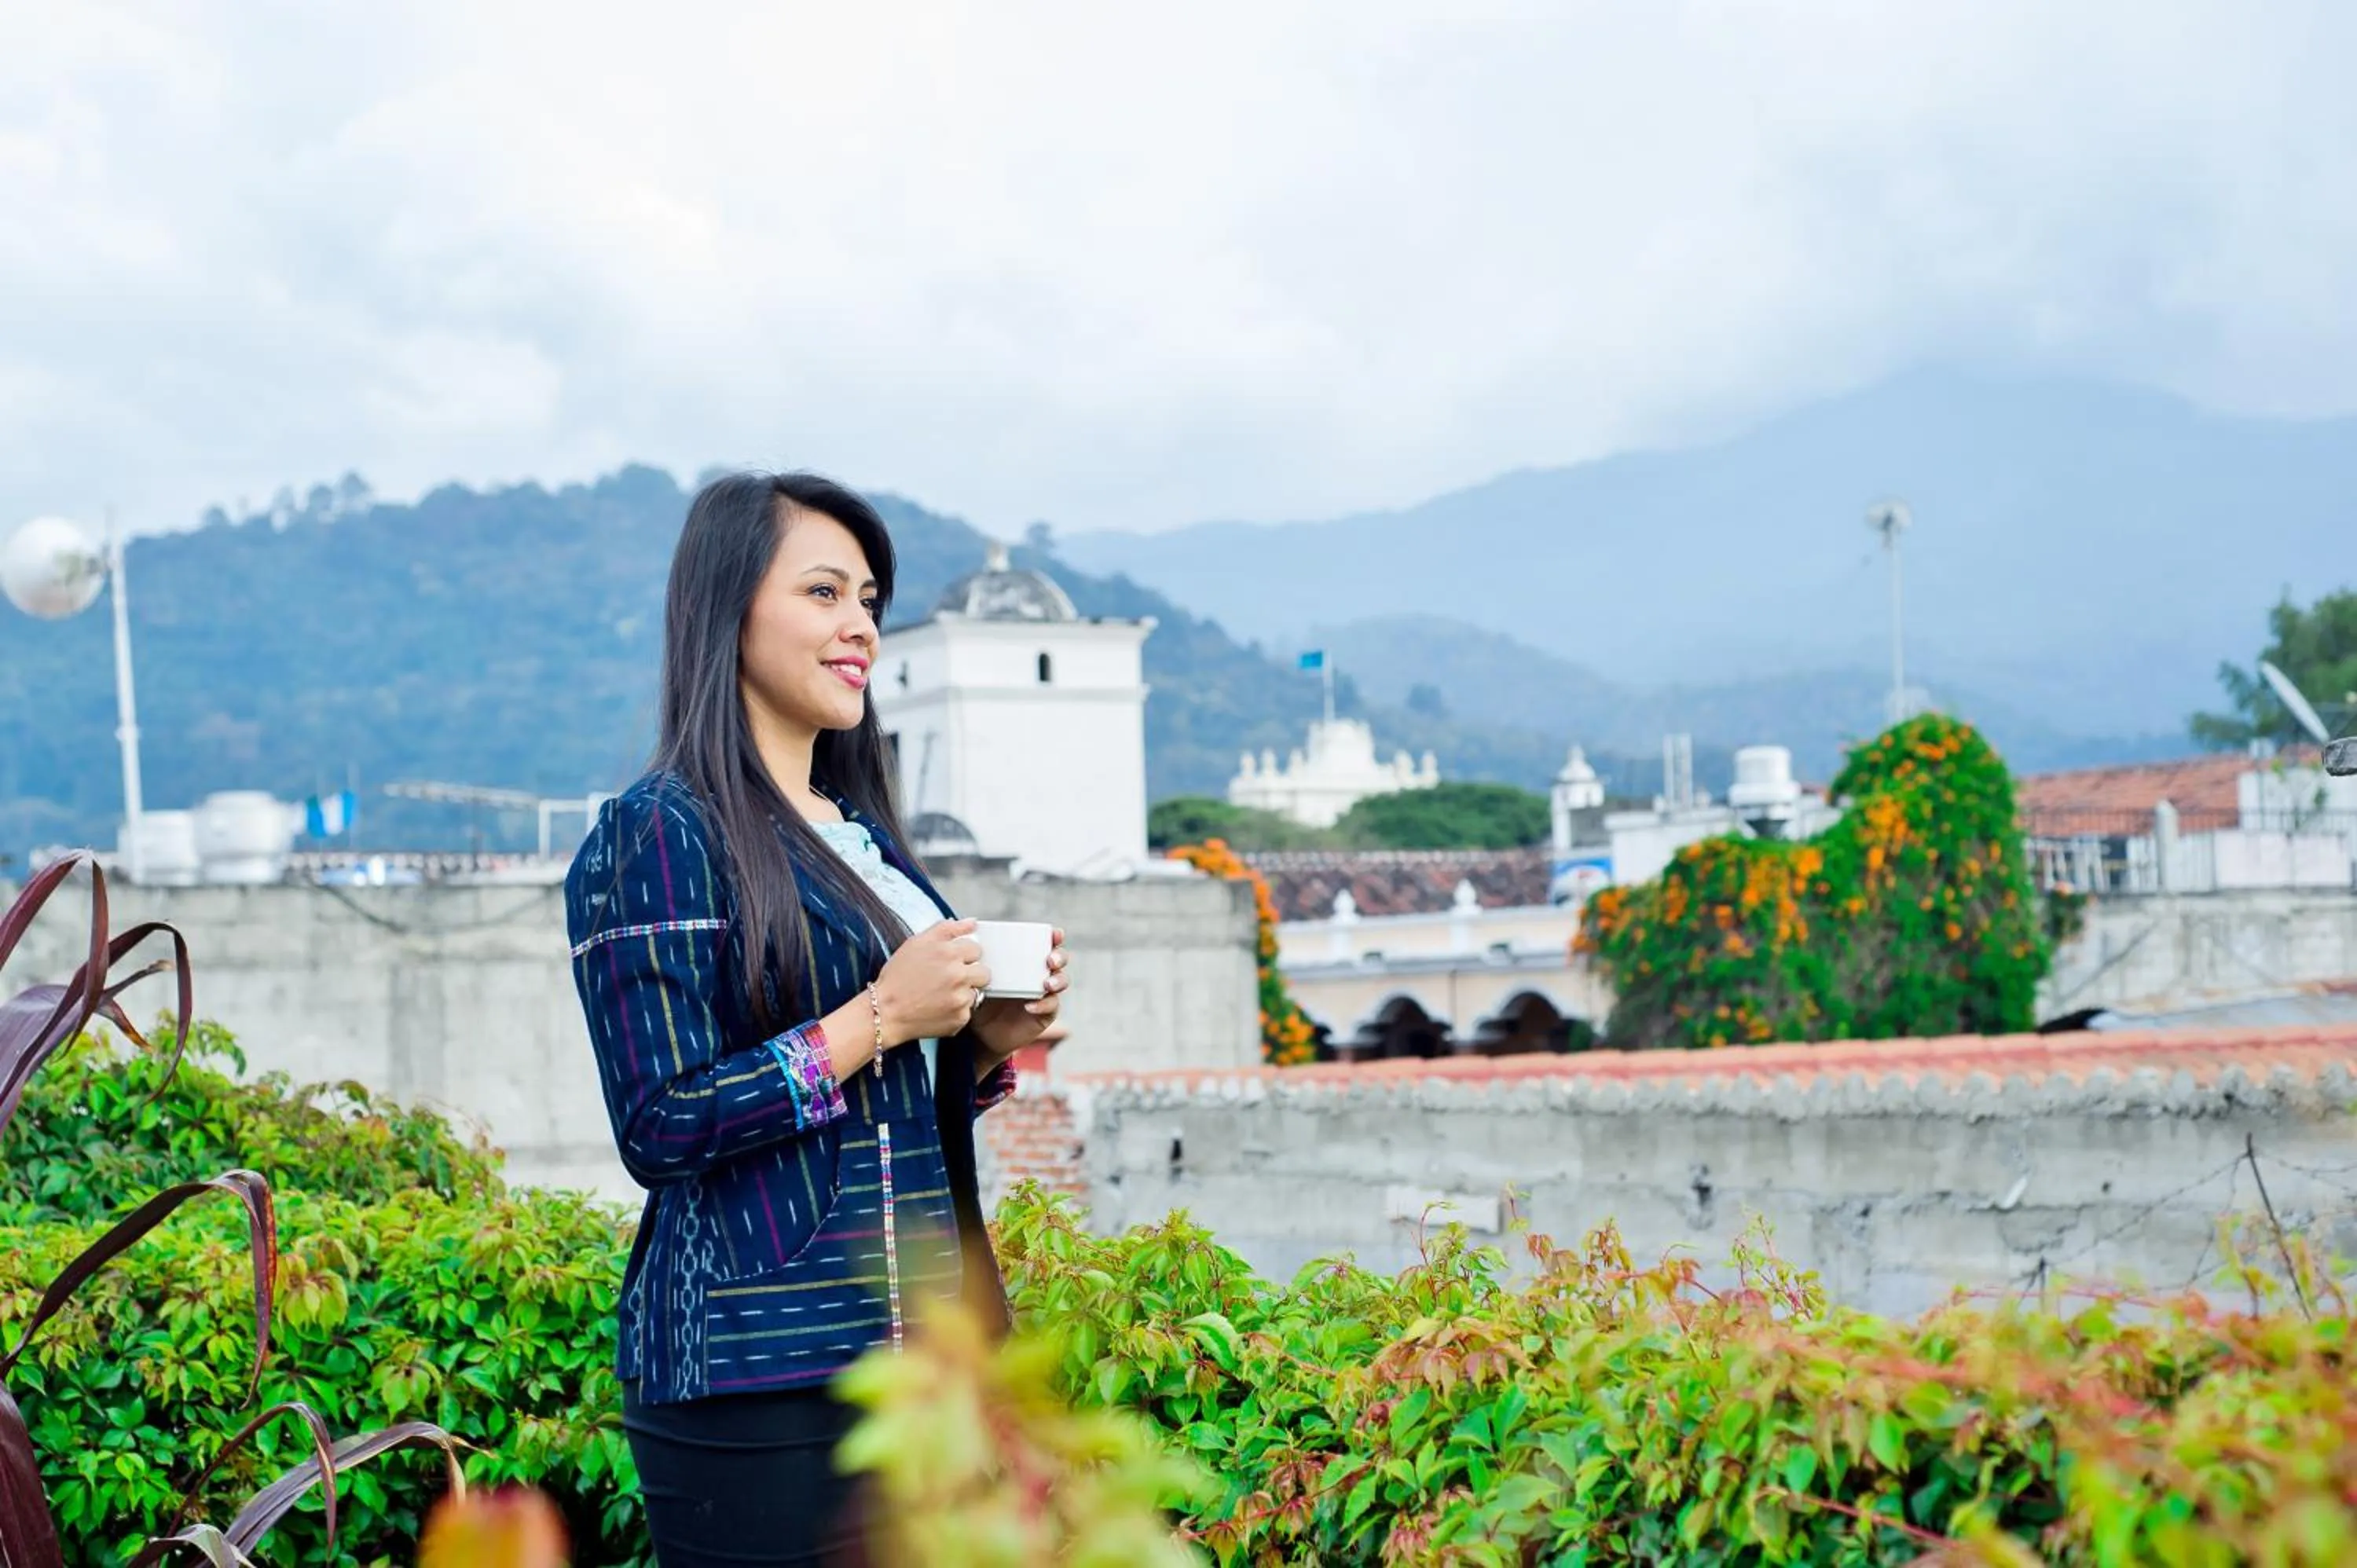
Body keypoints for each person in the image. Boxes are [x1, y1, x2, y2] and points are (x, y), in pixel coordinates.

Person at [563, 471, 1069, 1566]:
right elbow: (661, 1123)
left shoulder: (864, 837)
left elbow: (885, 1101)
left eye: (872, 601)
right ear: (727, 611)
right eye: (826, 593)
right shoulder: (657, 835)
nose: (861, 629)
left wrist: (978, 1047)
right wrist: (884, 1013)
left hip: (917, 1357)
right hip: (755, 1372)